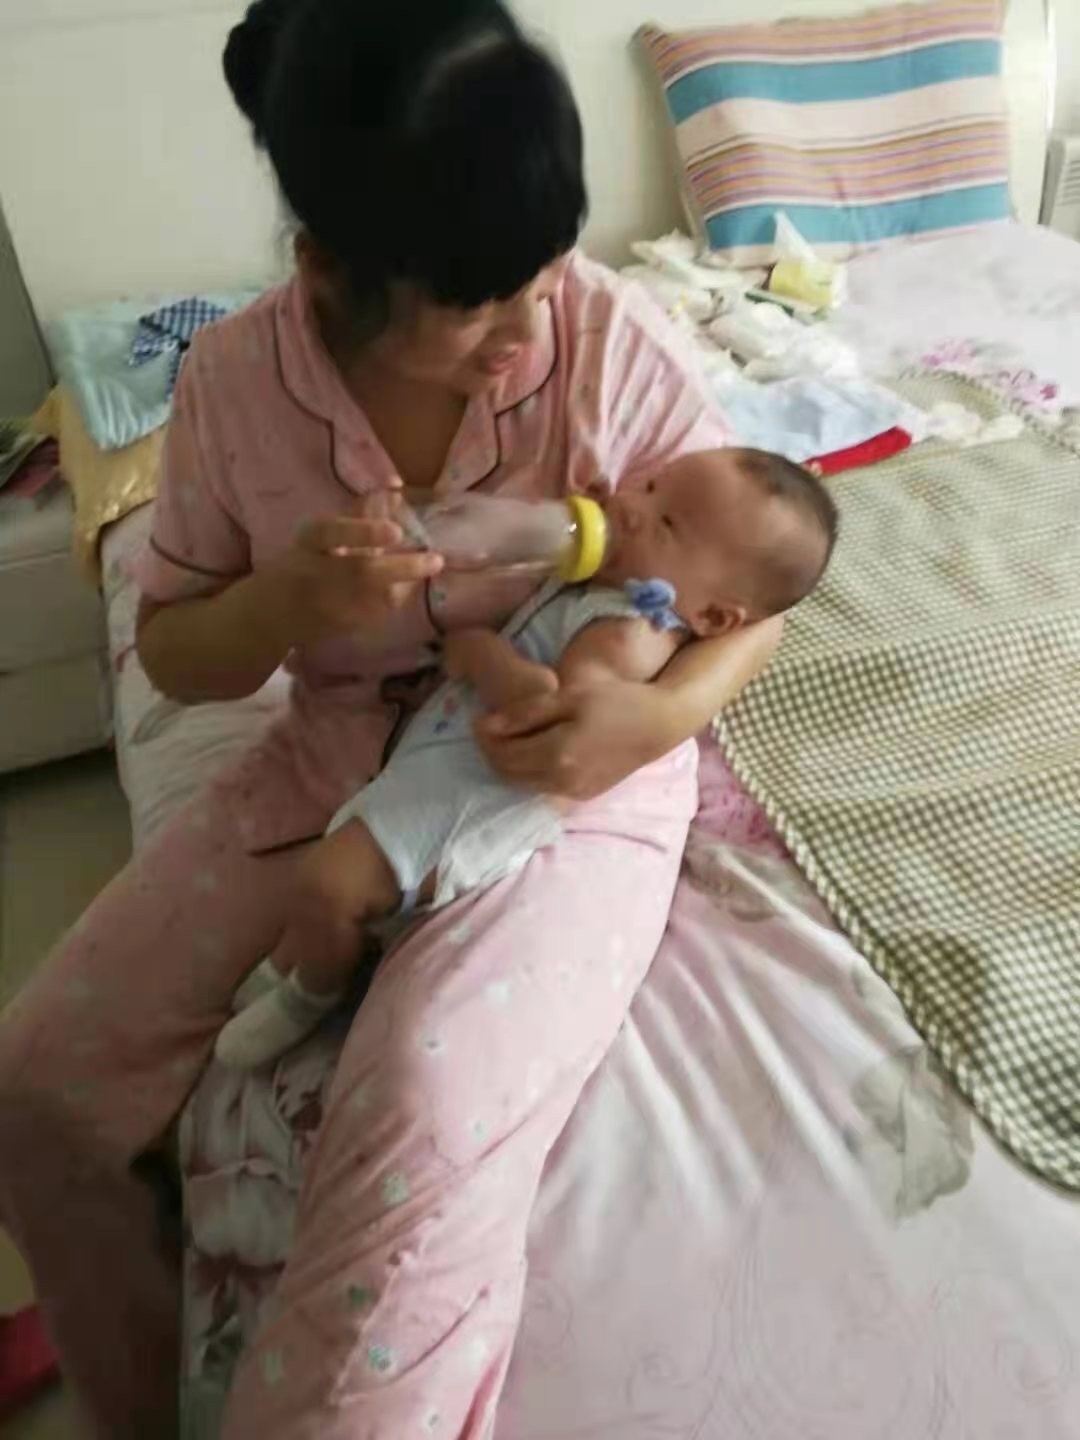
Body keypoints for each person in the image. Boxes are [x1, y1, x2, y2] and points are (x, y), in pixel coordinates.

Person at [0, 2, 783, 1436]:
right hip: (337, 752)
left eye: (544, 276)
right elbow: (177, 656)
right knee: (39, 1084)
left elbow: (757, 597)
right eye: (478, 306)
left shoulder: (605, 338)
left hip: (561, 773)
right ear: (326, 273)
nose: (530, 331)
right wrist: (283, 602)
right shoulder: (234, 387)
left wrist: (653, 722)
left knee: (419, 1102)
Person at [218, 447, 836, 1069]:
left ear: (712, 615)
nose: (630, 508)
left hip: (473, 800)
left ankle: (309, 992)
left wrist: (481, 655)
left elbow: (555, 710)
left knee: (328, 883)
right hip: (448, 762)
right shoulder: (602, 584)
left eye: (668, 523)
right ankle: (299, 955)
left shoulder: (627, 632)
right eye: (650, 486)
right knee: (342, 865)